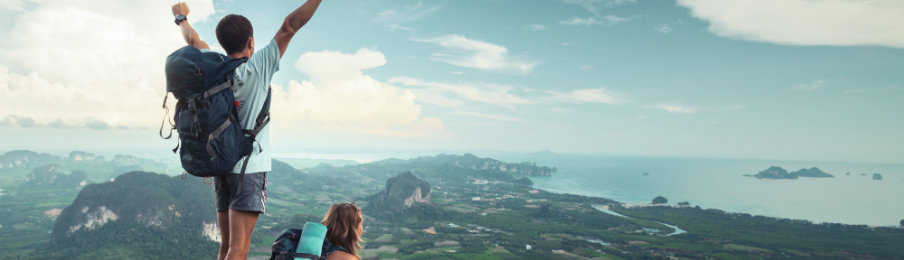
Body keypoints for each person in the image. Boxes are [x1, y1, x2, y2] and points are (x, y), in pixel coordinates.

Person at [170, 1, 323, 259]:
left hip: (220, 163)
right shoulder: (257, 67)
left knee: (226, 246)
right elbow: (290, 26)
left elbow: (193, 40)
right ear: (250, 42)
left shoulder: (213, 67)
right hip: (248, 170)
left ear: (223, 43)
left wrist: (181, 18)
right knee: (239, 248)